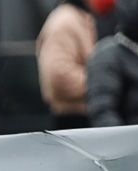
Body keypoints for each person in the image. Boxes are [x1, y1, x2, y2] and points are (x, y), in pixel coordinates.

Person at [37, 0, 102, 128]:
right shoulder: (65, 21)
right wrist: (104, 82)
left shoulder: (80, 17)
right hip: (73, 119)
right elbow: (58, 76)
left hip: (85, 116)